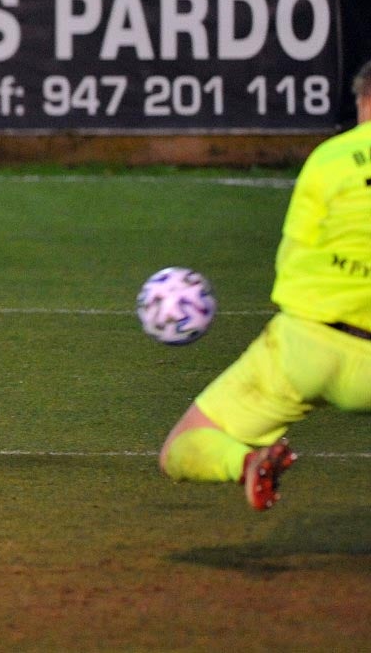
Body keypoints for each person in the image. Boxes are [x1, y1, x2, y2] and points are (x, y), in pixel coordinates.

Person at [159, 61, 371, 511]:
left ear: (364, 99)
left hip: (307, 348)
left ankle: (245, 462)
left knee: (185, 444)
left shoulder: (329, 159)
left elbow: (293, 254)